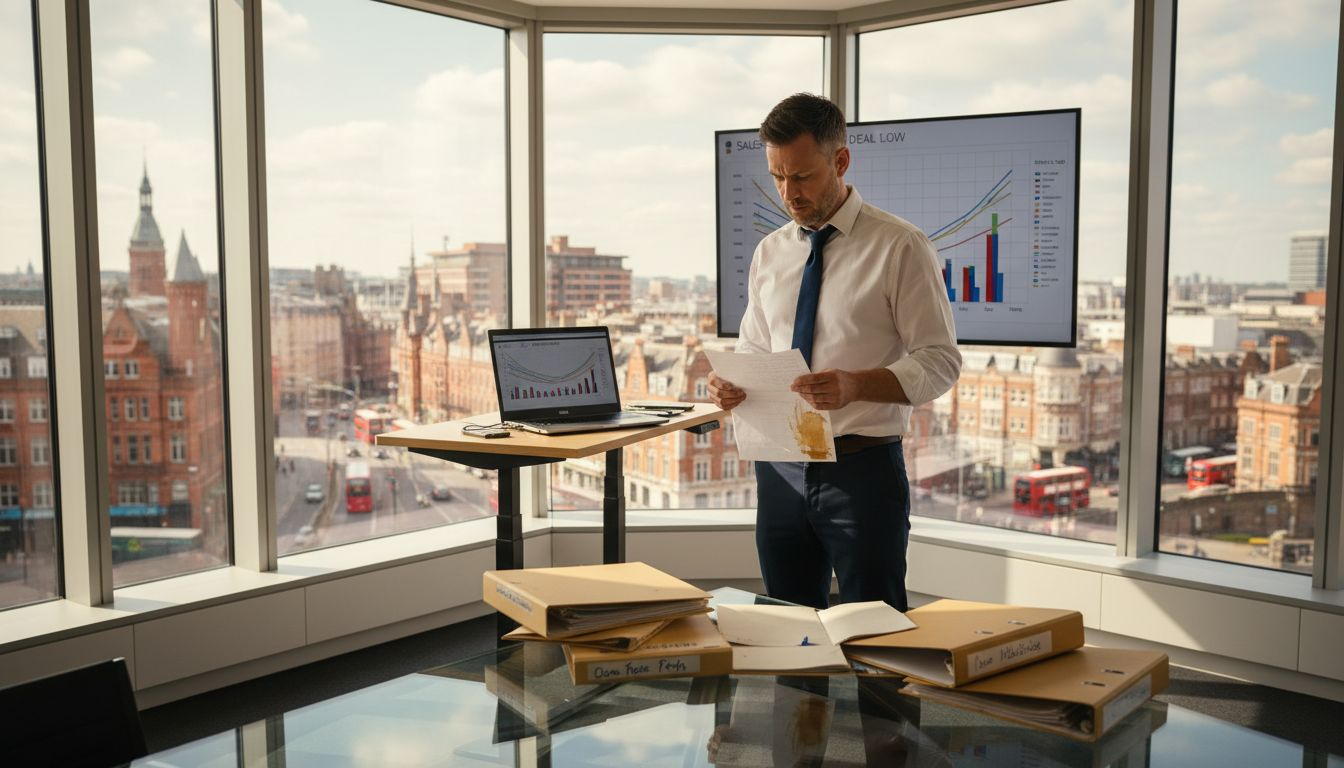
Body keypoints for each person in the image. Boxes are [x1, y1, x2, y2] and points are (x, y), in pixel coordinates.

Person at [709, 93, 960, 612]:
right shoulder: (770, 251)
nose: (787, 192)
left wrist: (855, 385)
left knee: (877, 633)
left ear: (841, 162)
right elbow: (755, 346)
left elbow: (940, 360)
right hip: (778, 467)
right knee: (787, 628)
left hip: (861, 472)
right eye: (777, 177)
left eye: (801, 177)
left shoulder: (900, 246)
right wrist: (731, 385)